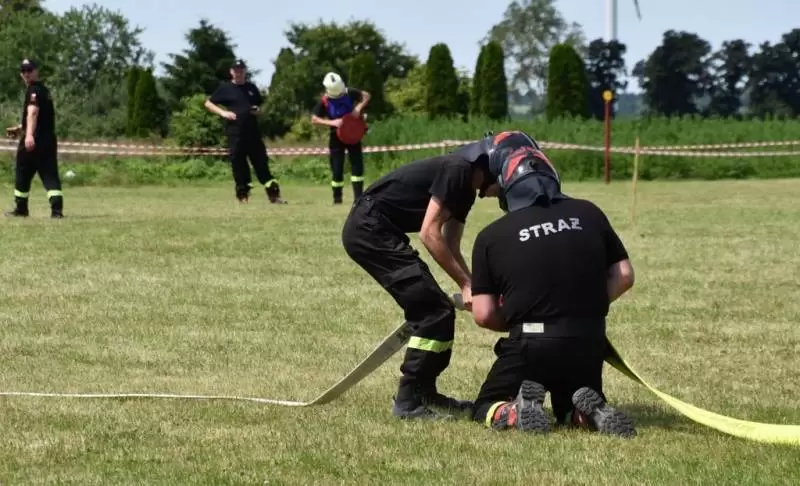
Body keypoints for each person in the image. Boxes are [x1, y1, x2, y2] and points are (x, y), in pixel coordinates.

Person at [340, 130, 540, 420]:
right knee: (433, 312)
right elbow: (429, 234)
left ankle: (424, 392)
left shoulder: (466, 189)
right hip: (368, 229)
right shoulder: (457, 170)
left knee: (438, 311)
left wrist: (478, 289)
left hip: (378, 230)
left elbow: (451, 244)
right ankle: (407, 402)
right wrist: (466, 284)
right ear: (496, 165)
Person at [466, 135, 637, 437]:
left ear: (507, 186)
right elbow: (624, 276)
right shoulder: (589, 212)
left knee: (484, 406)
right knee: (572, 400)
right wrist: (584, 305)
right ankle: (583, 414)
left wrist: (519, 316)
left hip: (531, 342)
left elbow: (484, 314)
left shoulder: (490, 237)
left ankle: (512, 411)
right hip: (588, 338)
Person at [204, 59, 286, 204]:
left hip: (253, 133)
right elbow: (208, 103)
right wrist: (223, 113)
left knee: (261, 163)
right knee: (239, 165)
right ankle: (243, 195)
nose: (239, 73)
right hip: (235, 133)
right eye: (236, 70)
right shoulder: (225, 88)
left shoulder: (251, 88)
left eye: (241, 70)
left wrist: (258, 111)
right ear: (231, 72)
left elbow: (260, 107)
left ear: (244, 72)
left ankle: (274, 195)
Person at [5, 58, 64, 219]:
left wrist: (29, 134)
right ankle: (57, 210)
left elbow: (33, 112)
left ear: (36, 70)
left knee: (22, 172)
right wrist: (21, 127)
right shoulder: (44, 90)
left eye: (29, 70)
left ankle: (21, 208)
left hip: (34, 140)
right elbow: (42, 118)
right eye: (23, 71)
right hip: (48, 140)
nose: (26, 74)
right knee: (50, 174)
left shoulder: (33, 90)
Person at [311, 72, 370, 205]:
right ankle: (337, 199)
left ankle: (358, 198)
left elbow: (366, 96)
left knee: (357, 166)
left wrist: (358, 108)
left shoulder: (350, 92)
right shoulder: (324, 101)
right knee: (337, 169)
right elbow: (314, 119)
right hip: (335, 137)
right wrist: (332, 122)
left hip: (353, 133)